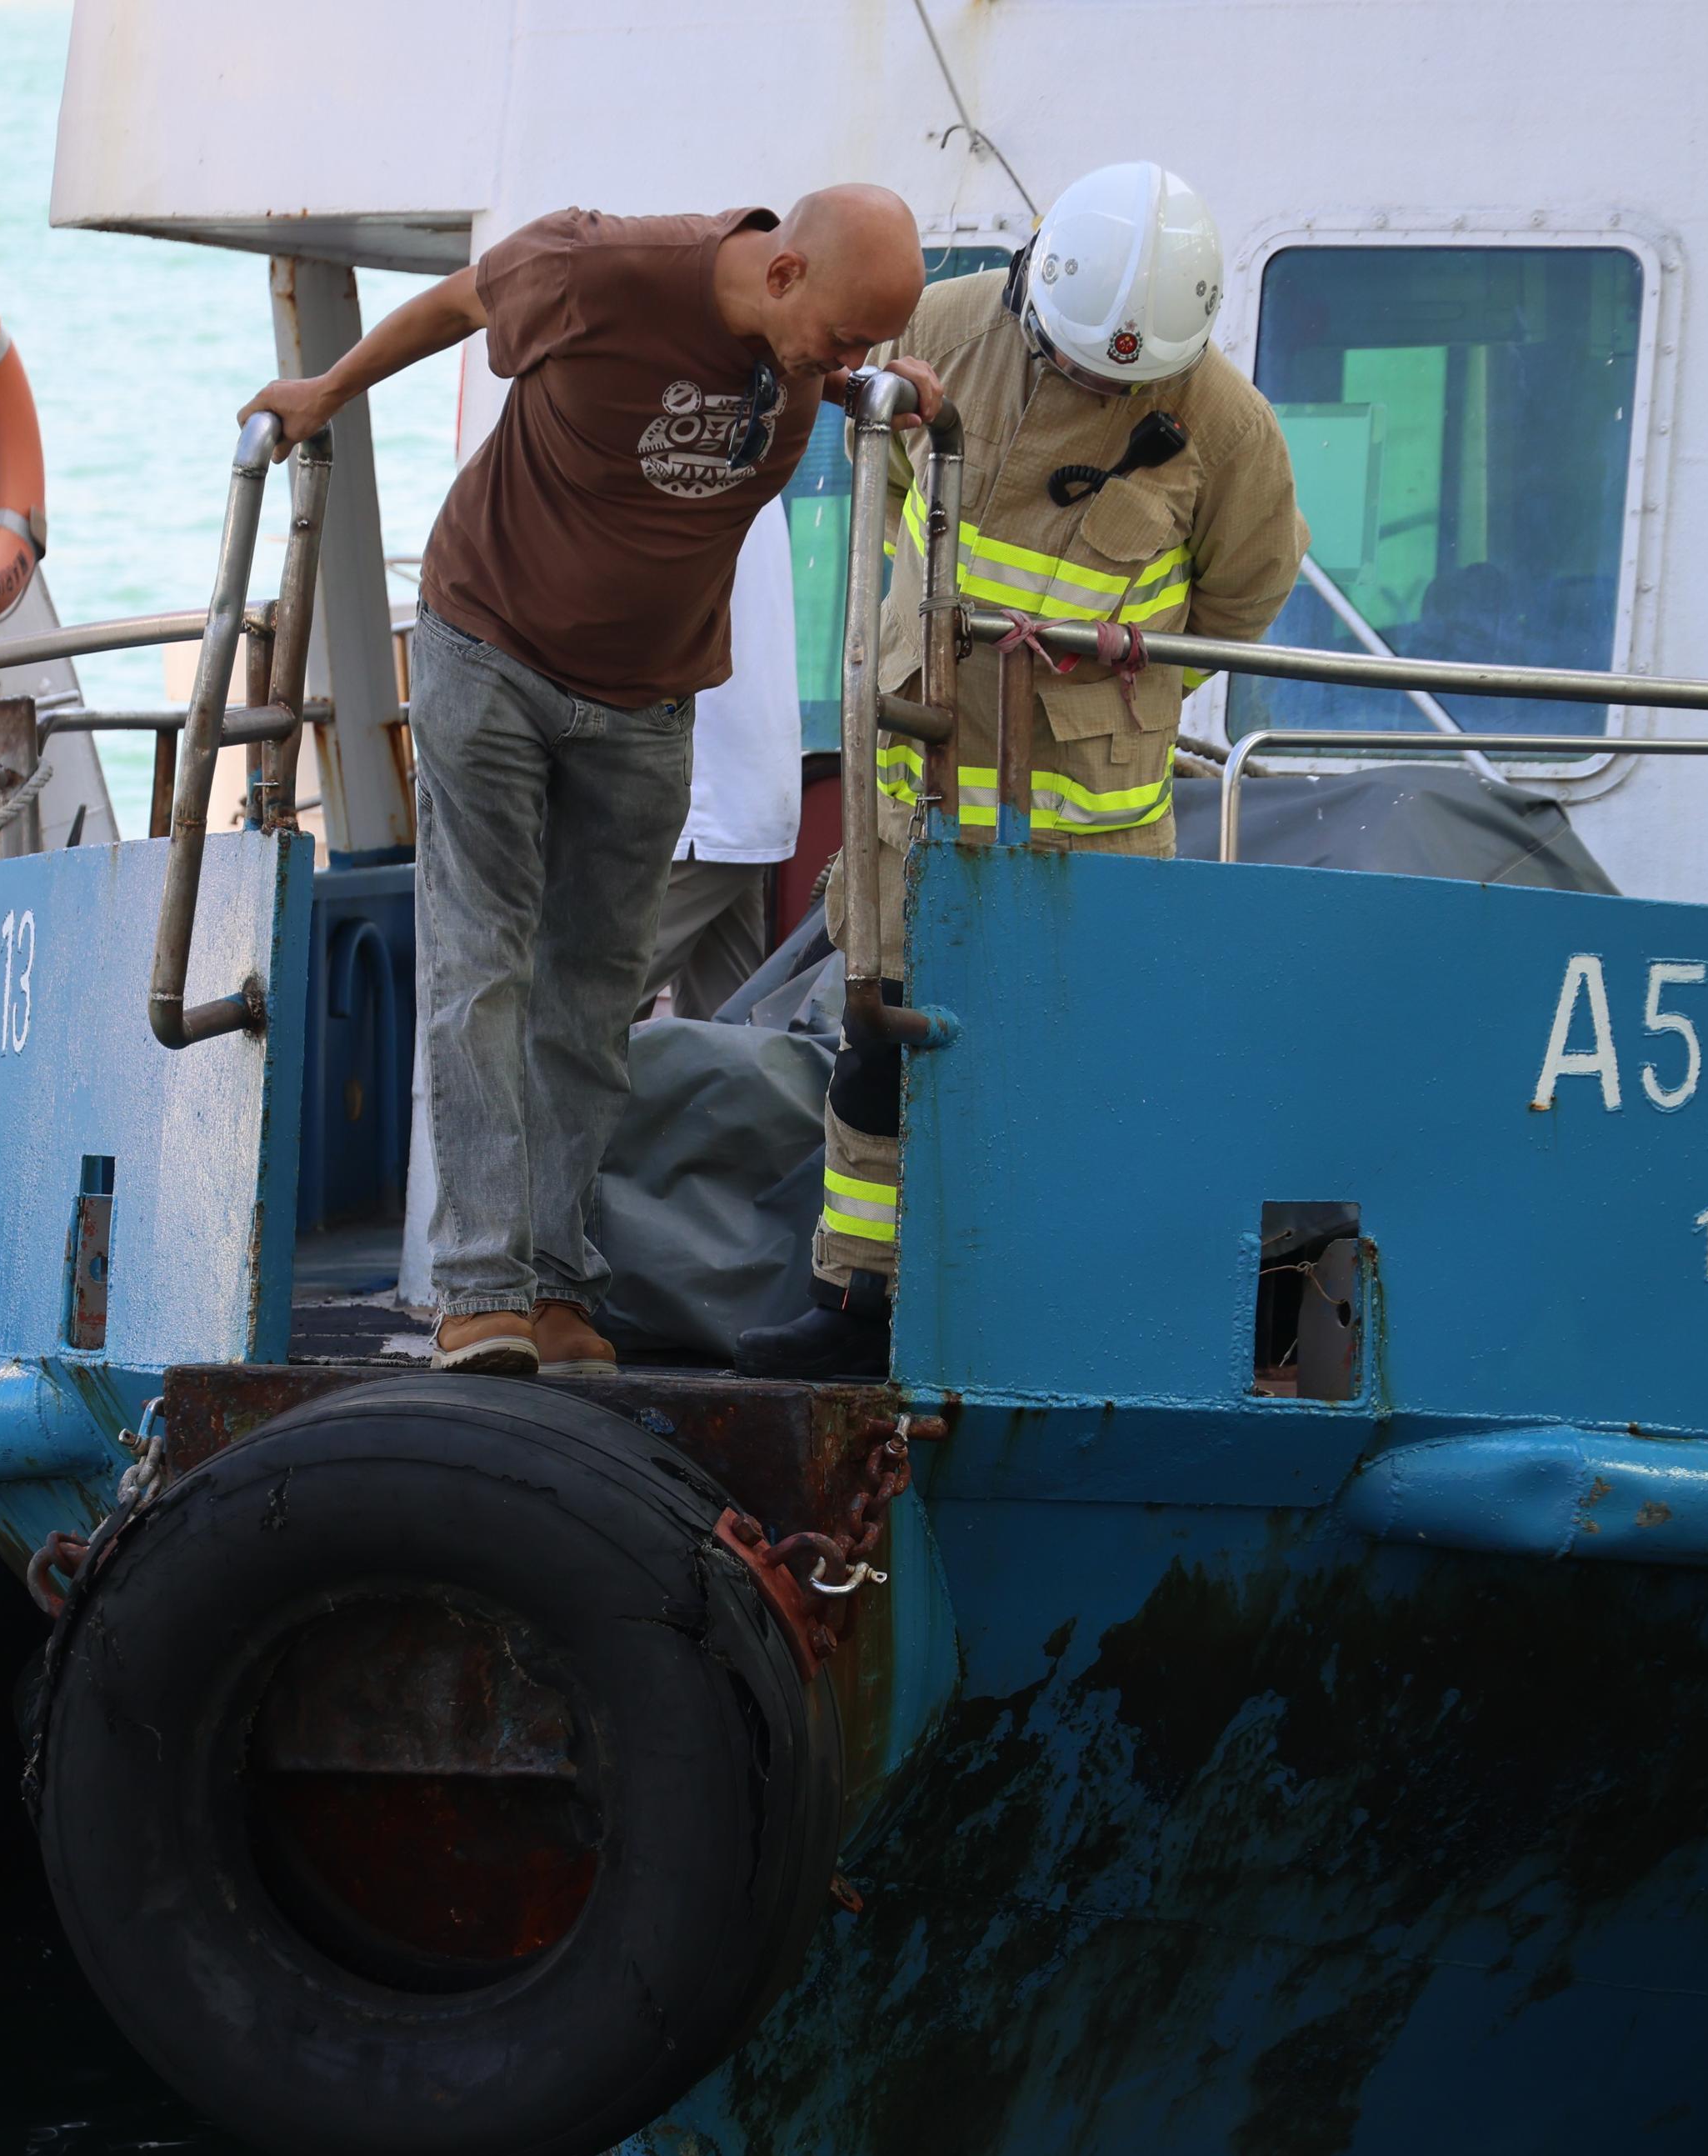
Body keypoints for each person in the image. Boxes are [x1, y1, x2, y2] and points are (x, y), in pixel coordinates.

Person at [246, 189, 931, 1378]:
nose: (849, 361)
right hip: (492, 650)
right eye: (846, 338)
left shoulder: (802, 350)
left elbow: (830, 358)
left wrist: (884, 384)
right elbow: (459, 303)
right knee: (485, 964)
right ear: (783, 276)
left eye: (867, 344)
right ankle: (478, 1291)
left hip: (648, 700)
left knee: (593, 995)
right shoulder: (600, 266)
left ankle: (559, 1285)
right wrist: (325, 393)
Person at [734, 163, 1301, 1381]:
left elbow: (1241, 601)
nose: (1103, 388)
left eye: (1126, 382)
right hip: (916, 797)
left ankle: (1058, 1325)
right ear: (1034, 293)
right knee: (879, 1047)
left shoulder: (1229, 432)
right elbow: (891, 482)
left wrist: (1114, 682)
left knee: (1077, 1076)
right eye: (1082, 364)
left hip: (1088, 835)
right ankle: (857, 1307)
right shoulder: (940, 331)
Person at [643, 504, 807, 1019]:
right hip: (738, 786)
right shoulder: (753, 469)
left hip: (696, 792)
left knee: (573, 1011)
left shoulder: (682, 469)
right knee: (723, 1036)